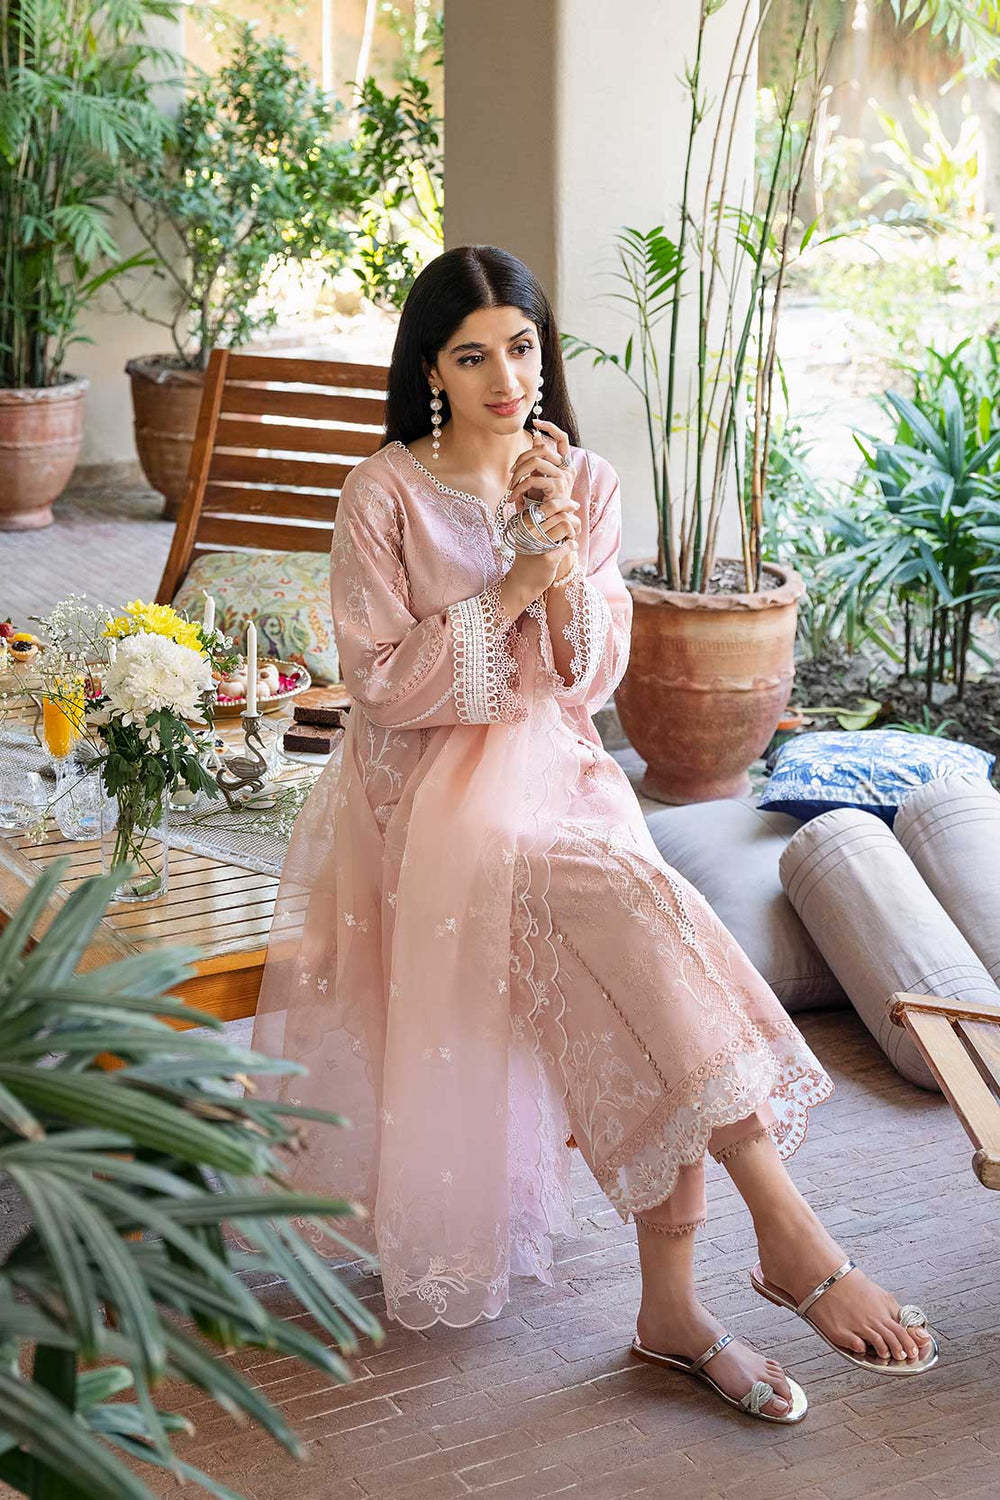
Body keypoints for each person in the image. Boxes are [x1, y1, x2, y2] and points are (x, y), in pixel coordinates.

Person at [252, 244, 936, 1423]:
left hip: (560, 782)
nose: (506, 378)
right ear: (431, 369)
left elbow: (587, 680)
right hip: (422, 809)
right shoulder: (384, 493)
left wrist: (560, 546)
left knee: (641, 949)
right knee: (641, 919)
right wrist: (514, 580)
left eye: (520, 347)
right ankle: (781, 1239)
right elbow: (383, 687)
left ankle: (685, 1302)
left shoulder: (585, 480)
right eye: (473, 356)